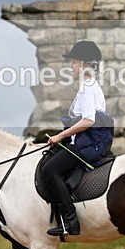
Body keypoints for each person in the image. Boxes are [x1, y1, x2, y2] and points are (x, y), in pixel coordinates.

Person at [41, 40, 109, 236]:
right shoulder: (88, 84)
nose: (71, 66)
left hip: (88, 142)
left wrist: (60, 135)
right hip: (84, 139)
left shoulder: (87, 86)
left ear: (82, 63)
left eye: (73, 62)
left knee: (49, 169)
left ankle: (70, 221)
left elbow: (88, 120)